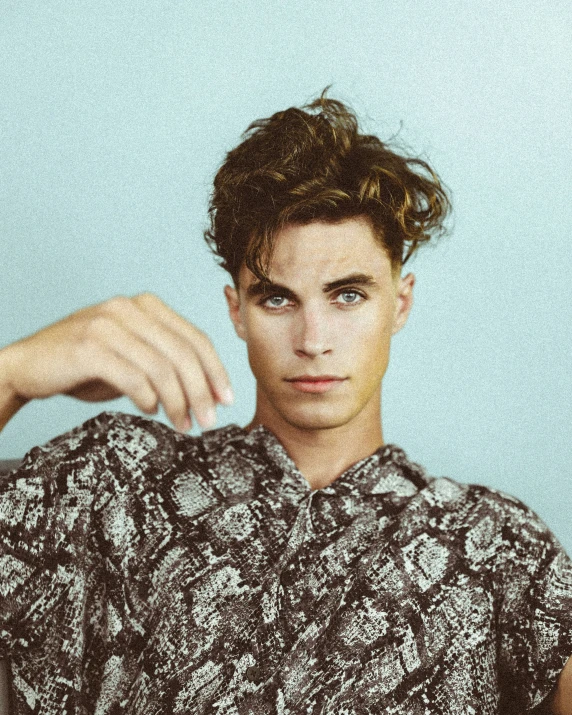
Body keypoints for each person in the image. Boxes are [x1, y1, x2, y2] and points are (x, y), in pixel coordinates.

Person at [0, 92, 570, 714]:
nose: (313, 341)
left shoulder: (495, 547)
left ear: (399, 304)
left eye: (348, 296)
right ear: (236, 309)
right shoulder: (112, 484)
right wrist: (14, 374)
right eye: (277, 299)